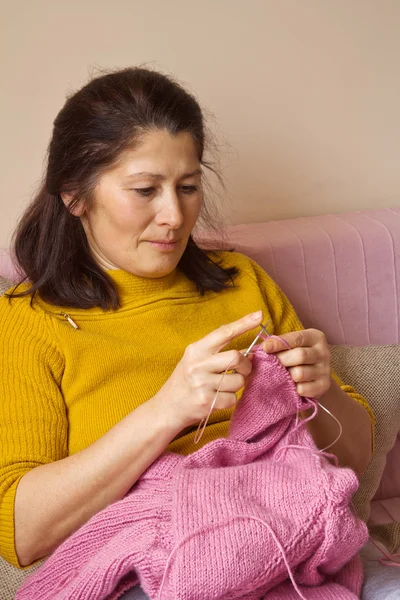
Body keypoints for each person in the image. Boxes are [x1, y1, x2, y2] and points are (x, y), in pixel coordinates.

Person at [0, 67, 374, 599]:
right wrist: (167, 409)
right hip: (149, 570)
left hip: (292, 547)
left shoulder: (243, 282)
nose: (174, 216)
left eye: (188, 187)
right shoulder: (29, 322)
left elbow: (351, 462)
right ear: (74, 195)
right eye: (145, 190)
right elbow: (21, 534)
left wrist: (324, 386)